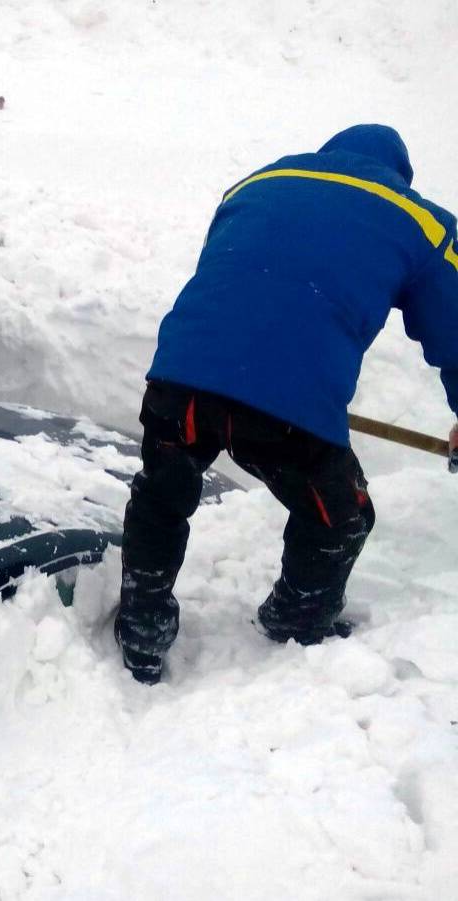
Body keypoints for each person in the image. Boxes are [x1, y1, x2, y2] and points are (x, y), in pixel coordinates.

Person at [116, 124, 458, 684]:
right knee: (341, 517)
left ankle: (142, 626)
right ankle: (295, 627)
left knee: (162, 494)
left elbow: (238, 274)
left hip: (181, 376)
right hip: (287, 407)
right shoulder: (419, 218)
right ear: (400, 174)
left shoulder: (257, 182)